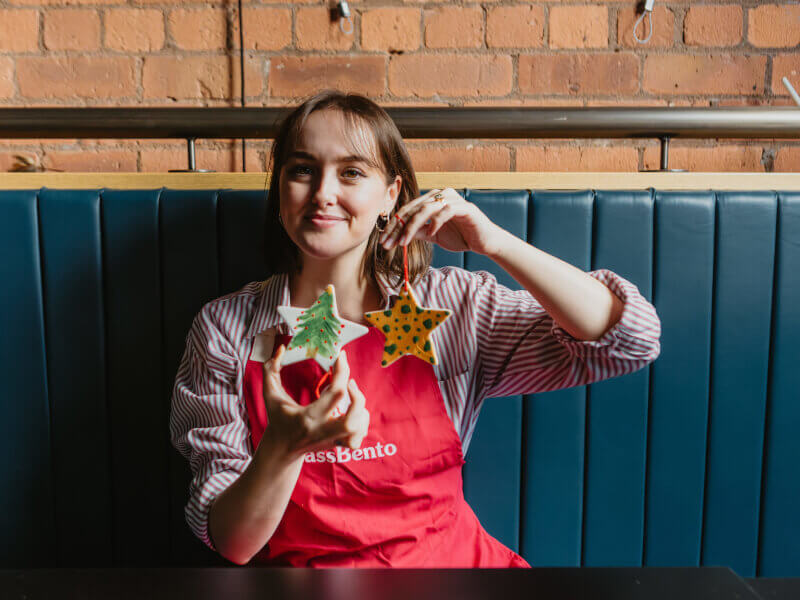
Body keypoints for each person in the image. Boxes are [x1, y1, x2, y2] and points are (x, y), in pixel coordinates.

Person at [169, 90, 662, 568]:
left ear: (391, 195)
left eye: (351, 172)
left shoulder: (452, 305)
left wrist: (495, 243)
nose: (322, 193)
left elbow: (631, 339)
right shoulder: (224, 331)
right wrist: (283, 447)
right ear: (279, 190)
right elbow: (233, 542)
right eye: (302, 170)